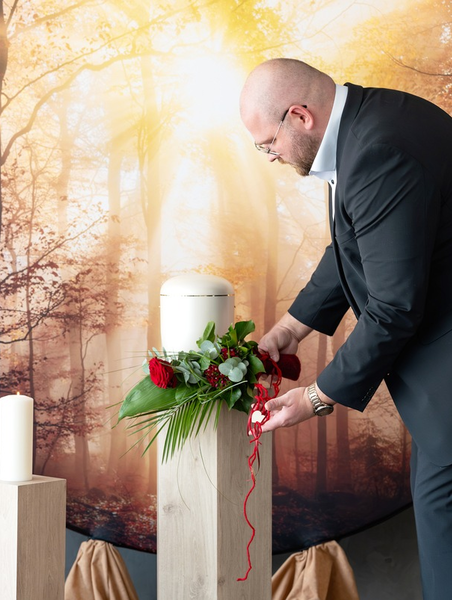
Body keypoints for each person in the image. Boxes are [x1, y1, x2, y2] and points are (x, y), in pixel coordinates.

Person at [239, 58, 452, 600]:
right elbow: (353, 248)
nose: (270, 156)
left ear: (300, 117)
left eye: (268, 143)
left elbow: (394, 307)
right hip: (439, 393)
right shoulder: (366, 124)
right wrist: (287, 332)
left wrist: (315, 397)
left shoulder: (377, 150)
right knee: (437, 514)